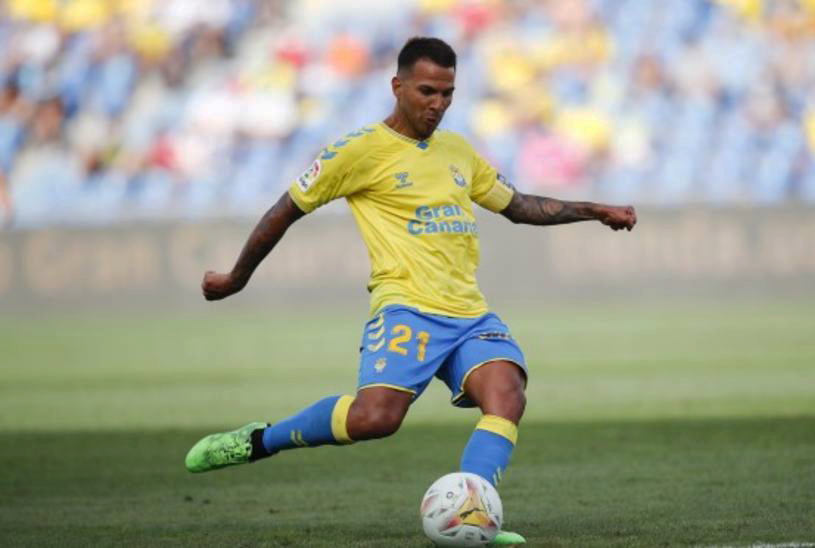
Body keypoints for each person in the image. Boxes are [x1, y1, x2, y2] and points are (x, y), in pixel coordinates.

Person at [184, 37, 636, 545]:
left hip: (468, 314)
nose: (438, 104)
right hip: (406, 309)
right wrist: (237, 277)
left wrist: (593, 209)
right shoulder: (358, 151)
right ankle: (259, 440)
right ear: (397, 86)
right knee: (375, 418)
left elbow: (518, 206)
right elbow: (284, 210)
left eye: (447, 94)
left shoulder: (458, 151)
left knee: (507, 396)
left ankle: (474, 512)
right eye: (427, 92)